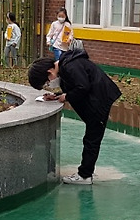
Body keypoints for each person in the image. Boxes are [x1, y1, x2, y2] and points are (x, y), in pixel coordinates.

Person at [29, 48, 121, 185]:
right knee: (91, 139)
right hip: (98, 99)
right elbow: (74, 86)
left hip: (100, 101)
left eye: (47, 82)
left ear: (50, 72)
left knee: (91, 140)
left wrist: (67, 96)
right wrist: (57, 95)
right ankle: (86, 172)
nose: (49, 84)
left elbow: (82, 87)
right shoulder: (67, 66)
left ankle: (85, 175)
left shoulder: (70, 66)